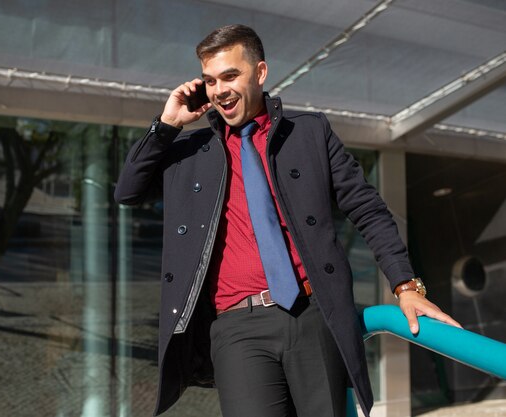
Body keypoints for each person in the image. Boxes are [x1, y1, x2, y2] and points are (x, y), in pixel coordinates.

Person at [114, 24, 461, 417]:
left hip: (313, 315)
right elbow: (128, 190)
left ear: (260, 73)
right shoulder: (189, 151)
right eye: (210, 80)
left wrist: (406, 285)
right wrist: (168, 123)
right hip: (235, 328)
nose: (219, 90)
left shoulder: (310, 132)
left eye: (231, 75)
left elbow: (368, 208)